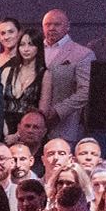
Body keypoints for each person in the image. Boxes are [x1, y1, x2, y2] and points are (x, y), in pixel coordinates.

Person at [39, 10, 94, 142]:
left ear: (68, 26)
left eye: (57, 24)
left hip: (63, 128)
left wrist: (57, 111)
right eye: (48, 24)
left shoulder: (82, 54)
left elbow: (86, 91)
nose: (51, 28)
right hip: (31, 130)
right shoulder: (33, 49)